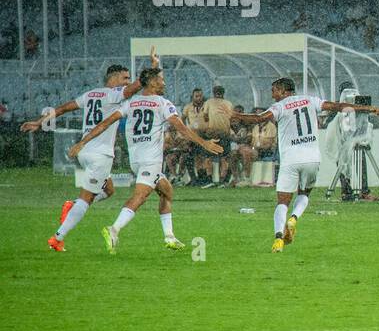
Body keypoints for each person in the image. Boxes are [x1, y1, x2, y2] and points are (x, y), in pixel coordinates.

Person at [67, 67, 223, 254]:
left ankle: (170, 237)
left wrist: (83, 142)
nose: (164, 83)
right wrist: (204, 143)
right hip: (151, 160)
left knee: (167, 191)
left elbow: (105, 123)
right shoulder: (162, 103)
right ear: (152, 82)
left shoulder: (130, 103)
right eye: (161, 80)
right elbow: (181, 128)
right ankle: (114, 229)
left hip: (136, 160)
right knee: (140, 197)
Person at [18, 50, 158, 251]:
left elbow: (64, 108)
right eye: (125, 78)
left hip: (85, 152)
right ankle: (57, 238)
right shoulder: (114, 95)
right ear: (114, 78)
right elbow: (139, 84)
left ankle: (72, 205)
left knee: (109, 189)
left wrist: (40, 122)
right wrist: (153, 66)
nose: (128, 81)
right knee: (87, 199)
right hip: (100, 154)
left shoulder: (90, 94)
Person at [230, 78, 379, 252]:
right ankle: (294, 219)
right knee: (304, 194)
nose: (272, 95)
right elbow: (339, 107)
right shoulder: (310, 100)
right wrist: (368, 108)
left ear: (282, 90)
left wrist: (235, 115)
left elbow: (259, 118)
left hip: (290, 159)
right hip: (312, 158)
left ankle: (278, 239)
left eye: (274, 91)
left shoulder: (279, 106)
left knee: (282, 202)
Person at [202, 84, 236, 185]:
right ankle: (222, 181)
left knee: (208, 158)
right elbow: (231, 118)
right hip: (224, 133)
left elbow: (205, 117)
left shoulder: (208, 102)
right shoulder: (228, 103)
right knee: (224, 158)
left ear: (213, 93)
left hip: (213, 134)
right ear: (223, 93)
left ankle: (209, 180)